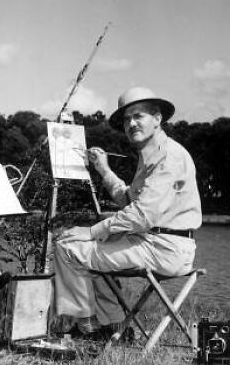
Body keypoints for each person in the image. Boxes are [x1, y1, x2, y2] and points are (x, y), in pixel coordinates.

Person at [53, 87, 202, 337]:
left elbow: (142, 215)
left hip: (164, 248)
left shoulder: (168, 157)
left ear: (158, 118)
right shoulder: (151, 156)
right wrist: (103, 170)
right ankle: (114, 325)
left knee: (67, 247)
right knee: (93, 245)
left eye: (138, 116)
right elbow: (129, 200)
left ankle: (87, 326)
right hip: (155, 242)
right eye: (126, 119)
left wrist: (91, 231)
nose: (131, 123)